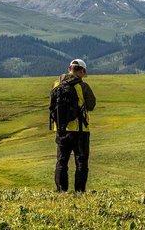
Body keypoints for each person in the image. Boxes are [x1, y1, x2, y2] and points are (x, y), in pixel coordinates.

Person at [50, 59, 96, 192]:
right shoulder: (82, 86)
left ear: (69, 68)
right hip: (80, 130)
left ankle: (61, 190)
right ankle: (80, 191)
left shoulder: (56, 84)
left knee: (61, 161)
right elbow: (91, 105)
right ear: (82, 70)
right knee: (81, 162)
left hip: (61, 129)